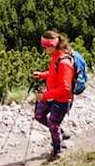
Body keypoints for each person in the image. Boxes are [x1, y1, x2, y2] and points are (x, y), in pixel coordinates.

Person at [33, 30, 76, 159]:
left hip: (61, 100)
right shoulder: (56, 57)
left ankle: (57, 152)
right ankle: (61, 133)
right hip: (51, 95)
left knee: (53, 124)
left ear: (52, 45)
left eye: (44, 46)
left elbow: (65, 88)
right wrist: (42, 75)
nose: (43, 49)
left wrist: (45, 96)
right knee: (39, 116)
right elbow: (53, 74)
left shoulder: (64, 62)